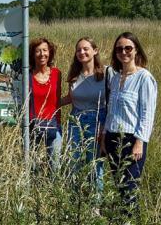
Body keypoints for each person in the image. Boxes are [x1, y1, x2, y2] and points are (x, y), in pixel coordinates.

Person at [103, 32, 157, 219]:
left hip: (131, 139)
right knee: (119, 187)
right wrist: (104, 136)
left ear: (136, 50)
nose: (123, 52)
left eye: (128, 48)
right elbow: (110, 110)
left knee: (130, 189)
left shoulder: (144, 77)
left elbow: (147, 113)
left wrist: (140, 142)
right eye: (119, 49)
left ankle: (129, 220)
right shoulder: (115, 77)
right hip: (112, 138)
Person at [63, 37, 111, 204]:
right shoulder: (75, 75)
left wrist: (104, 128)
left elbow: (113, 100)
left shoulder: (106, 73)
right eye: (78, 50)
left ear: (95, 51)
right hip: (75, 121)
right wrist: (45, 102)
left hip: (98, 120)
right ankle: (74, 202)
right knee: (73, 161)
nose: (82, 52)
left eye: (85, 49)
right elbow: (70, 98)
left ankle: (94, 205)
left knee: (94, 164)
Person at [29, 38, 62, 172]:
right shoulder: (27, 74)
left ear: (50, 52)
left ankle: (53, 191)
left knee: (55, 166)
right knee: (31, 166)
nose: (42, 54)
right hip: (31, 125)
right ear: (32, 54)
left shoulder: (57, 74)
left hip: (53, 125)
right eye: (37, 51)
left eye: (45, 50)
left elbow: (58, 99)